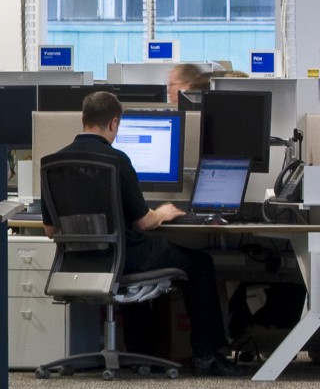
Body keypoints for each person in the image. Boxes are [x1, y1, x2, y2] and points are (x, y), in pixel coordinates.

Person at [40, 90, 233, 373]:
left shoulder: (53, 163)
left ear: (84, 119)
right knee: (200, 264)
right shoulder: (117, 160)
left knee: (134, 255)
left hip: (78, 262)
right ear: (114, 123)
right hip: (123, 259)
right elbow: (143, 222)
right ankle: (208, 357)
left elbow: (49, 230)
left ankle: (142, 354)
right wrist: (163, 213)